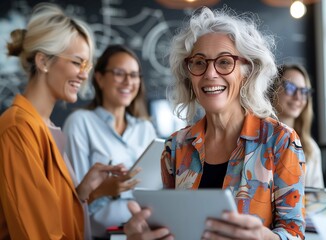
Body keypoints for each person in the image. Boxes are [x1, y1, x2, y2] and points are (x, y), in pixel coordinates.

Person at [123, 6, 306, 240]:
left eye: (224, 62)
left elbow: (295, 232)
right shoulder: (175, 147)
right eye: (199, 63)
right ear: (189, 75)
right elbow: (169, 226)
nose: (210, 73)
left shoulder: (281, 140)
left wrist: (265, 238)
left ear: (247, 72)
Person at [0, 3, 128, 239]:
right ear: (43, 62)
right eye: (77, 62)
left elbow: (53, 213)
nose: (84, 74)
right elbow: (37, 233)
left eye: (87, 65)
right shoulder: (18, 128)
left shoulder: (43, 126)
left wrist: (84, 191)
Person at [63, 44, 157, 238]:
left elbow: (154, 190)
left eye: (134, 75)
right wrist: (104, 191)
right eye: (119, 73)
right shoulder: (80, 122)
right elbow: (70, 200)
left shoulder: (145, 129)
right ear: (99, 78)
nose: (128, 82)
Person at [270, 64, 324, 188]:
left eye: (304, 91)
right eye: (290, 87)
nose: (298, 97)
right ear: (273, 89)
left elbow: (316, 199)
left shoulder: (311, 148)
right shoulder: (255, 139)